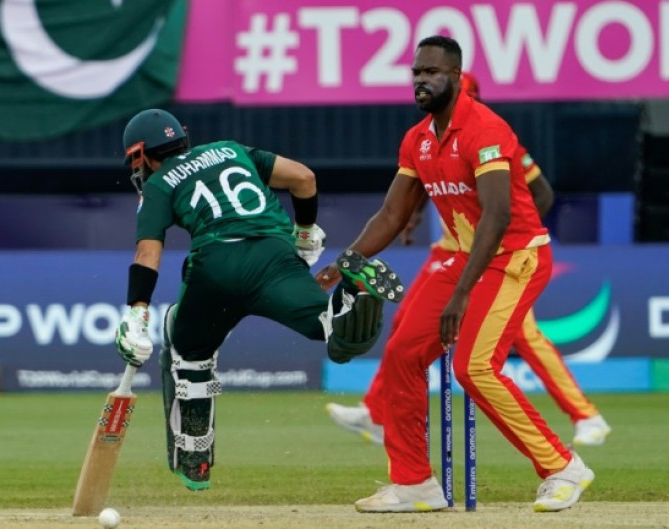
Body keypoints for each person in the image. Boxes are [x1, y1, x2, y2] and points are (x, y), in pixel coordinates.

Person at [316, 36, 594, 513]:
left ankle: (562, 466)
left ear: (458, 77)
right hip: (468, 258)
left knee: (474, 367)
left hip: (516, 258)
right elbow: (390, 214)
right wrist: (348, 260)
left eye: (433, 72)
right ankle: (415, 484)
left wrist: (461, 295)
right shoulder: (417, 138)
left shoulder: (485, 128)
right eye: (416, 73)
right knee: (404, 352)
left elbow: (498, 215)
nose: (422, 80)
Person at [113, 108, 403, 492]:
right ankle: (351, 295)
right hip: (274, 255)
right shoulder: (231, 150)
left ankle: (196, 458)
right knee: (330, 330)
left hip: (216, 266)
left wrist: (137, 313)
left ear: (143, 154)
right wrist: (304, 230)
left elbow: (147, 255)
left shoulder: (160, 183)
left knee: (189, 349)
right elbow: (304, 178)